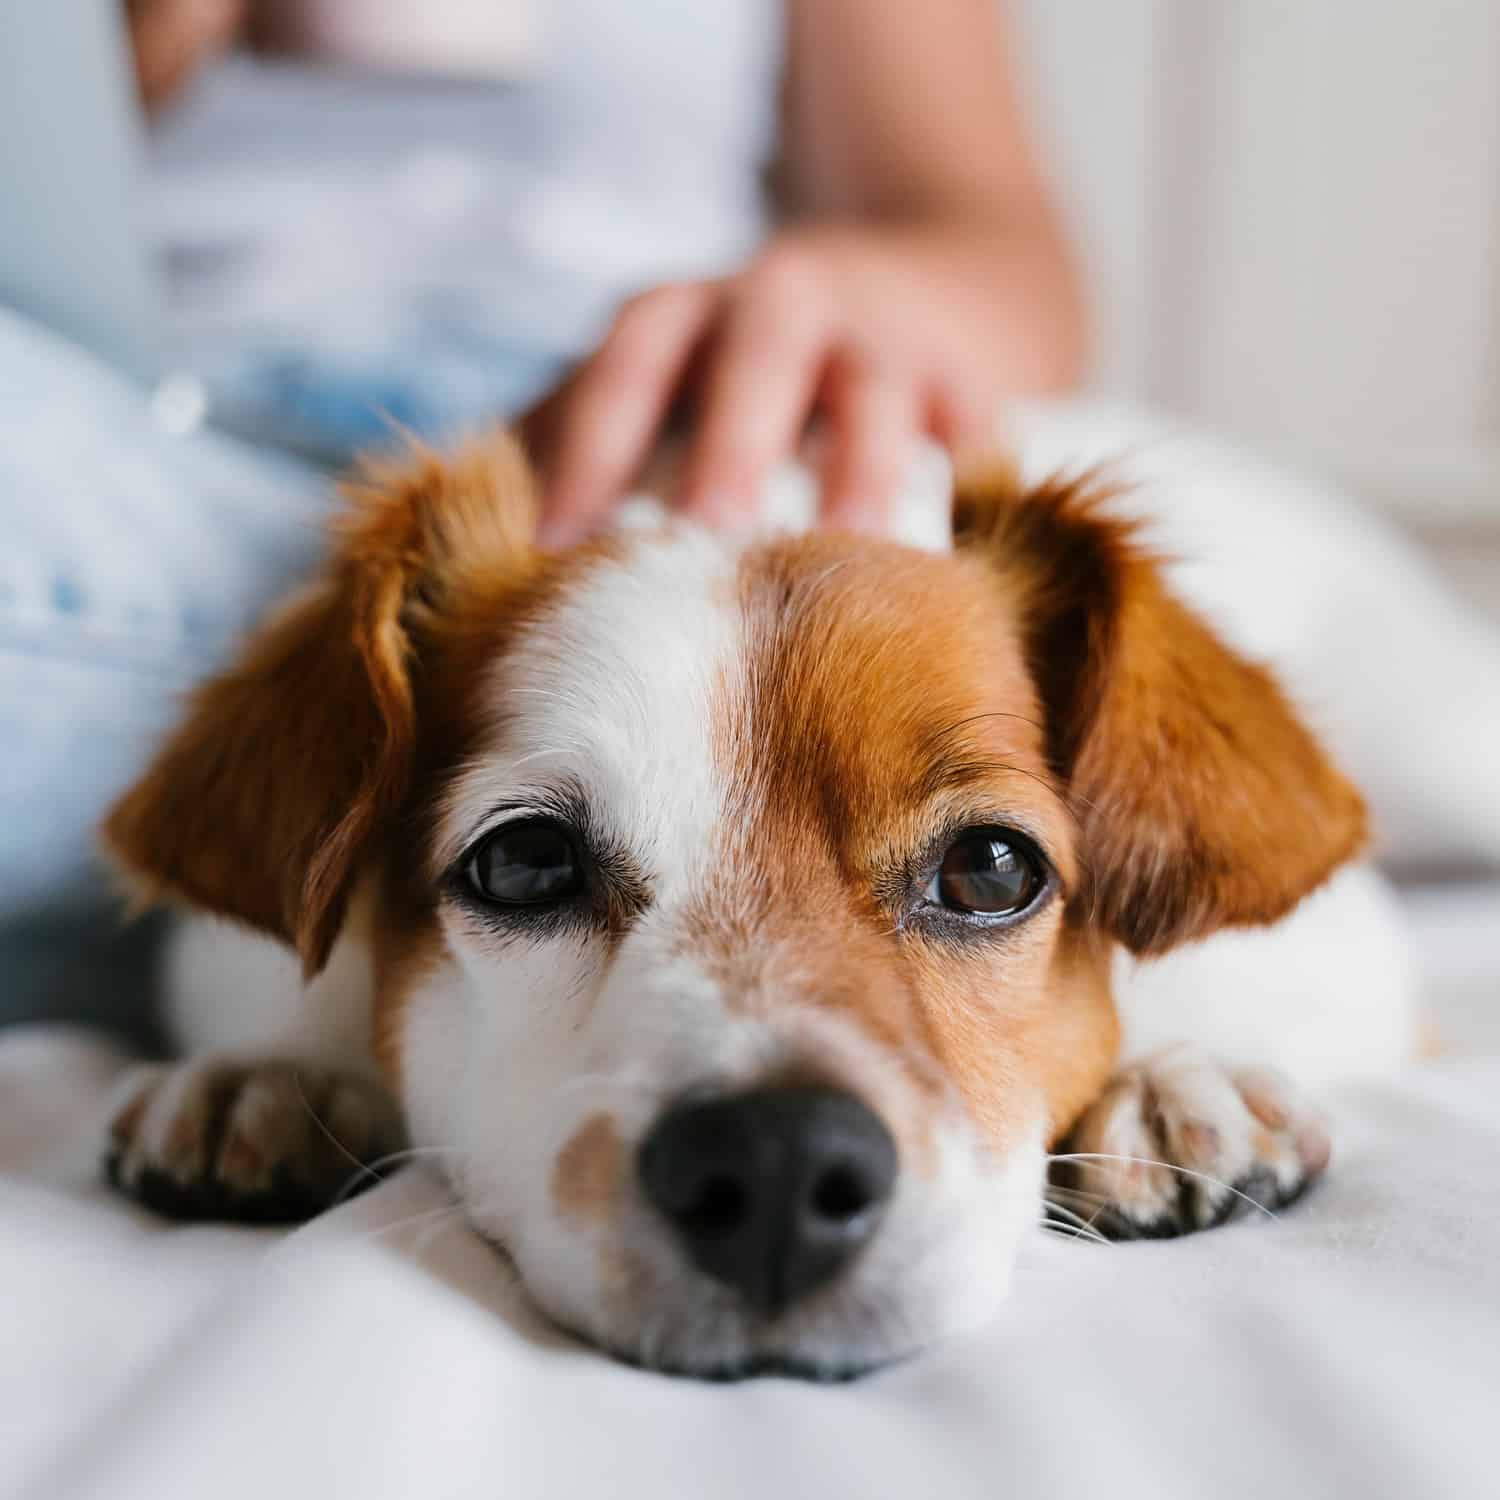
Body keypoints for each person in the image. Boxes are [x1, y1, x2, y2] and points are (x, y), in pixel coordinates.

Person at [0, 0, 1083, 1033]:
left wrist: (849, 294)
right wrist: (120, 51)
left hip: (606, 477)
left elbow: (1005, 255)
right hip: (133, 439)